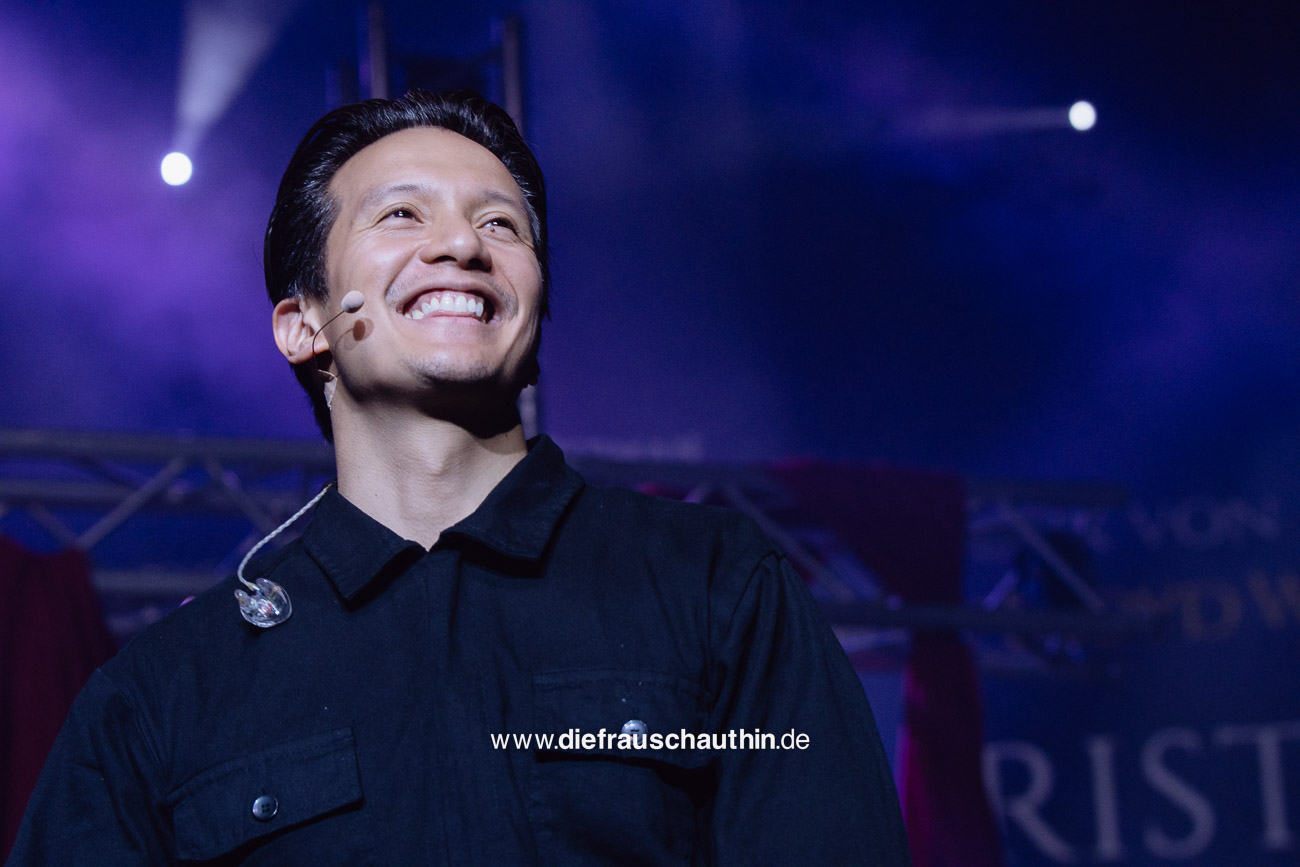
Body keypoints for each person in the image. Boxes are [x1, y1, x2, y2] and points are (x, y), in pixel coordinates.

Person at [10, 90, 909, 865]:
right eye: (402, 215)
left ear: (534, 311)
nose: (462, 245)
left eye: (501, 224)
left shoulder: (713, 584)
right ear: (304, 325)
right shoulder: (166, 690)